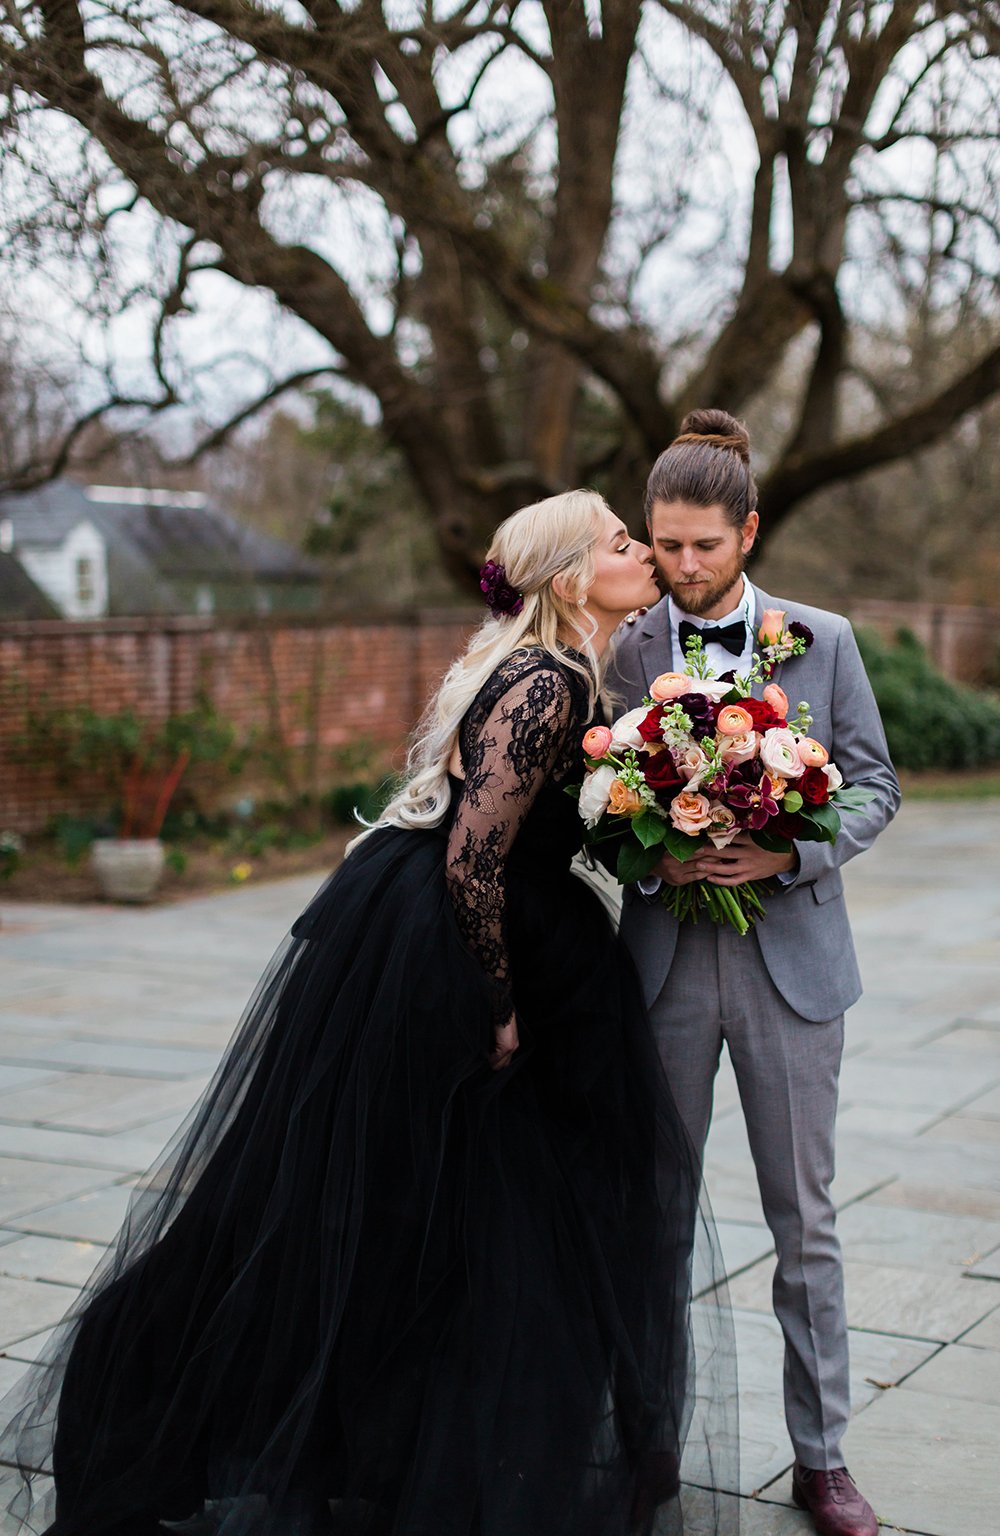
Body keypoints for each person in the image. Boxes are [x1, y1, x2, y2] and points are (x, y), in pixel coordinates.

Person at [0, 490, 738, 1536]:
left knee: (474, 1220)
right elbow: (473, 858)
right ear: (573, 575)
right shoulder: (543, 680)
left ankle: (427, 1443)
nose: (642, 553)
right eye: (623, 541)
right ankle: (202, 1407)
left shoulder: (569, 669)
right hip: (466, 949)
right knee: (377, 1209)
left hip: (503, 937)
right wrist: (496, 1004)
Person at [608, 411, 900, 1536]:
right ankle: (645, 1448)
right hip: (663, 970)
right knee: (652, 1218)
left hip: (792, 968)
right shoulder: (623, 644)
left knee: (803, 1220)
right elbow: (594, 805)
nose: (680, 568)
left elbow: (873, 784)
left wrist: (791, 847)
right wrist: (648, 847)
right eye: (664, 545)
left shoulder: (820, 640)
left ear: (748, 531)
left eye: (703, 546)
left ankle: (821, 1460)